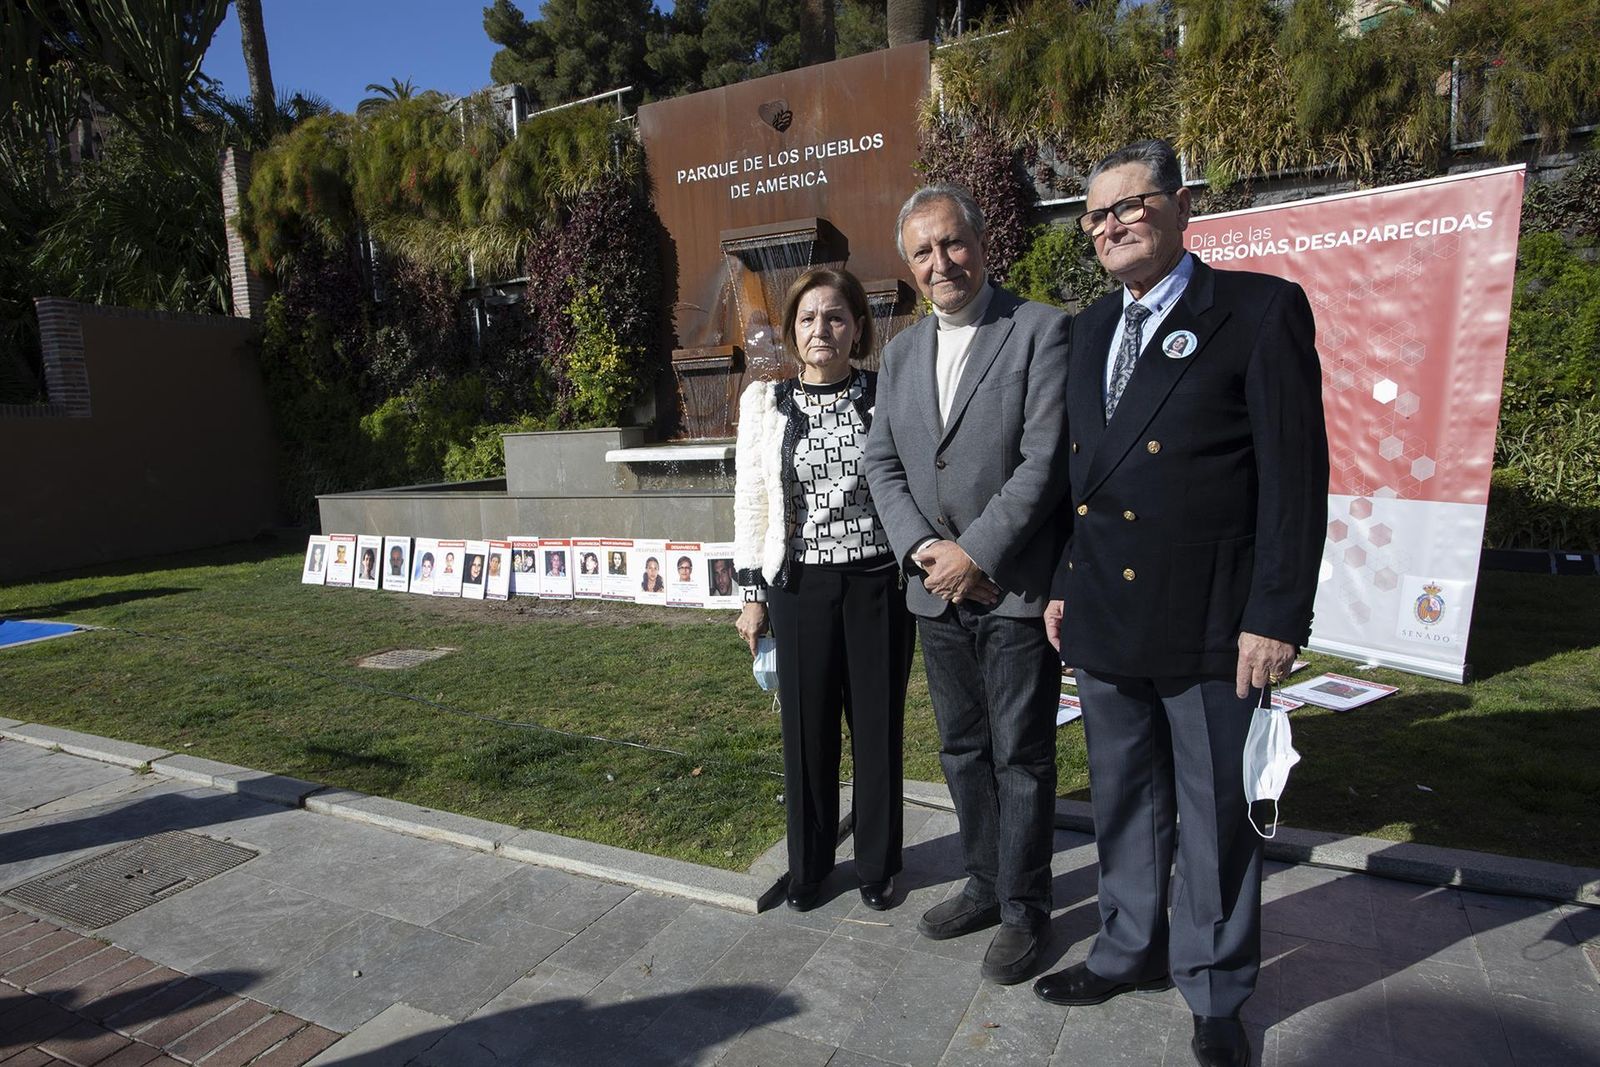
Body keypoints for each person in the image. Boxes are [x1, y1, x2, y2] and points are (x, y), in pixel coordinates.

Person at [1033, 140, 1328, 1067]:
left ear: (1181, 205)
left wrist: (1276, 614)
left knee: (1213, 819)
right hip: (1110, 619)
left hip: (1213, 624)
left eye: (1131, 204)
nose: (1111, 224)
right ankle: (1128, 948)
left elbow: (1295, 480)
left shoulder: (1256, 310)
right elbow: (1076, 482)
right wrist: (1063, 584)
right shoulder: (1086, 331)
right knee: (1123, 802)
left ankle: (1214, 990)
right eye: (1096, 214)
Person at [863, 183, 1071, 984]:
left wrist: (974, 553)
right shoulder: (903, 352)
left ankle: (1025, 908)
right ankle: (984, 882)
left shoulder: (1041, 330)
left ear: (982, 245)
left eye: (952, 243)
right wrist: (923, 549)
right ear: (909, 265)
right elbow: (881, 461)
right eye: (923, 250)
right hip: (933, 592)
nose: (940, 261)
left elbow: (1045, 461)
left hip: (1010, 587)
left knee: (1021, 754)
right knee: (960, 748)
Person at [737, 266, 916, 914]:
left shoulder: (886, 393)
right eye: (809, 318)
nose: (822, 329)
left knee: (877, 730)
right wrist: (752, 592)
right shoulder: (763, 402)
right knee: (807, 733)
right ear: (791, 330)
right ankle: (808, 868)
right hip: (801, 587)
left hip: (879, 586)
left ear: (858, 327)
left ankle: (877, 865)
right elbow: (752, 501)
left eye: (836, 317)